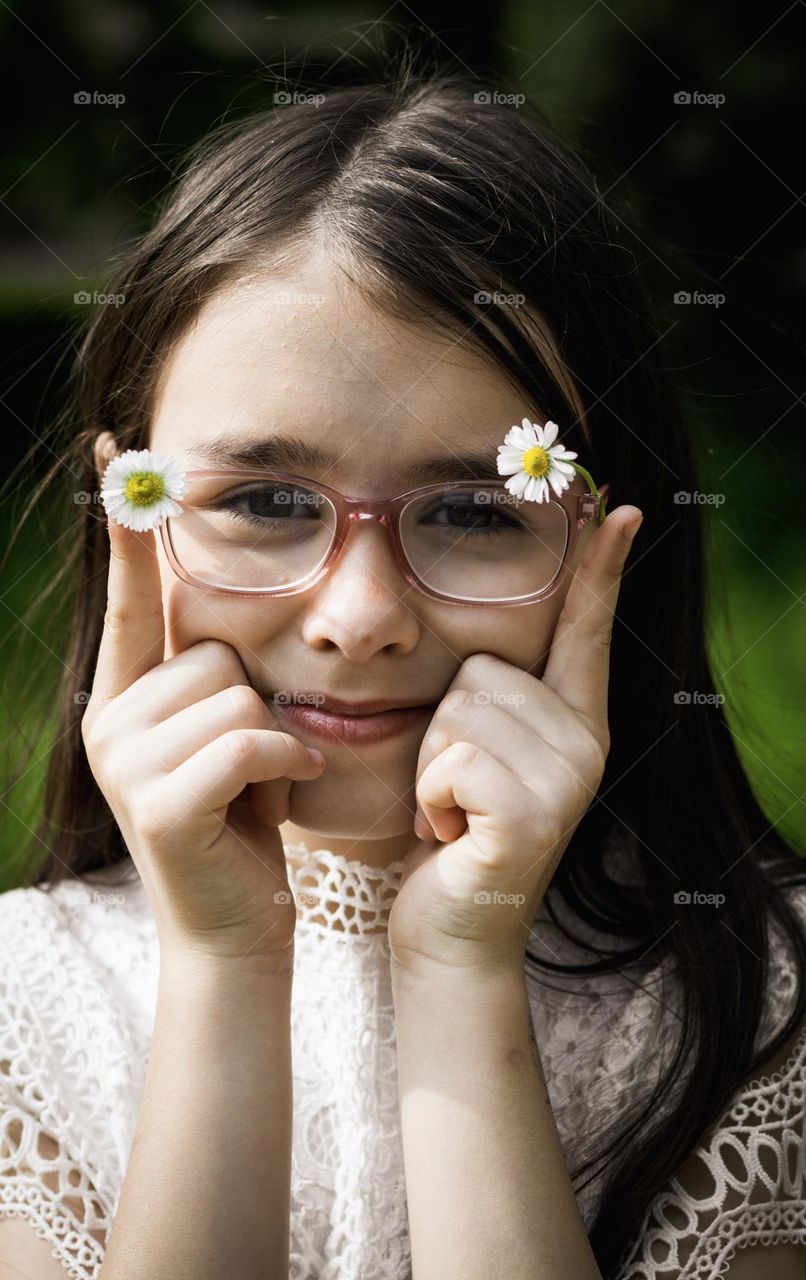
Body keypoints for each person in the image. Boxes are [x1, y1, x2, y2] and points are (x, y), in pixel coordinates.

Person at [1, 60, 805, 1280]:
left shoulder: (758, 1006)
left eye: (477, 511)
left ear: (604, 542)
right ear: (130, 511)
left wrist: (461, 963)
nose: (362, 616)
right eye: (265, 499)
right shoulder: (28, 1004)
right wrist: (226, 964)